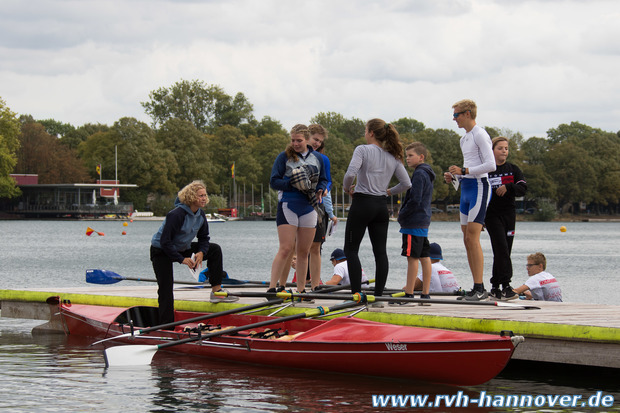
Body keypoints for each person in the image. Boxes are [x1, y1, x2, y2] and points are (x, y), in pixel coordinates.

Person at [343, 118, 411, 305]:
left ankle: (356, 296)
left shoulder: (362, 149)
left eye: (365, 130)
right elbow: (406, 183)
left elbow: (350, 173)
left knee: (351, 250)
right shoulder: (393, 157)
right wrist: (388, 191)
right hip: (381, 207)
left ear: (371, 133)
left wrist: (346, 188)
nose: (364, 133)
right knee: (380, 252)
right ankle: (378, 296)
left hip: (362, 204)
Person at [150, 180, 237, 325]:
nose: (203, 198)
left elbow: (204, 237)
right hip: (161, 251)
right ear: (191, 197)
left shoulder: (200, 215)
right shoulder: (176, 215)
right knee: (166, 289)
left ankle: (216, 292)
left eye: (204, 195)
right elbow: (165, 241)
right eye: (200, 196)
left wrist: (202, 252)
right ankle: (166, 326)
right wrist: (181, 259)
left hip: (182, 247)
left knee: (214, 249)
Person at [444, 99, 496, 301]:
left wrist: (465, 171)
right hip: (466, 187)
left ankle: (480, 288)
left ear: (467, 114)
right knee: (466, 240)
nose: (454, 118)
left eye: (456, 114)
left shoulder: (480, 134)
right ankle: (476, 288)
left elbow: (490, 165)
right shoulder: (464, 138)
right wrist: (456, 176)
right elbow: (469, 166)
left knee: (472, 239)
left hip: (479, 187)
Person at [268, 124, 328, 296]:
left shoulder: (318, 158)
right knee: (286, 248)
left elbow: (324, 180)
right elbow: (274, 181)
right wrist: (292, 183)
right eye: (293, 140)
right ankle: (272, 288)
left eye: (299, 140)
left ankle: (302, 290)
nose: (295, 143)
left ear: (307, 140)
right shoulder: (284, 157)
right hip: (288, 205)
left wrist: (320, 188)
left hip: (309, 207)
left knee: (304, 252)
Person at [485, 136, 528, 300]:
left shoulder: (513, 169)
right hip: (491, 215)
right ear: (492, 151)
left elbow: (523, 188)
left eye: (506, 148)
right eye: (500, 148)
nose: (504, 151)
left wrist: (508, 187)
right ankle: (506, 286)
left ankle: (495, 286)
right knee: (501, 249)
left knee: (504, 251)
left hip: (509, 215)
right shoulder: (487, 170)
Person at [397, 142, 435, 301]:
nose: (407, 159)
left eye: (410, 156)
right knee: (424, 256)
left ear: (421, 157)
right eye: (406, 156)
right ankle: (425, 293)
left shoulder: (419, 174)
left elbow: (415, 199)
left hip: (413, 222)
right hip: (423, 221)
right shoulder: (428, 173)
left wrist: (402, 215)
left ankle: (409, 293)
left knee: (412, 257)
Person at [307, 124, 338, 288]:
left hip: (318, 207)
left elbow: (329, 180)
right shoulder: (294, 156)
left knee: (316, 246)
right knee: (297, 247)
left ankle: (314, 284)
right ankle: (300, 282)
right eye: (315, 139)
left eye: (320, 141)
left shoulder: (322, 159)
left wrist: (324, 188)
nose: (317, 143)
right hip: (302, 206)